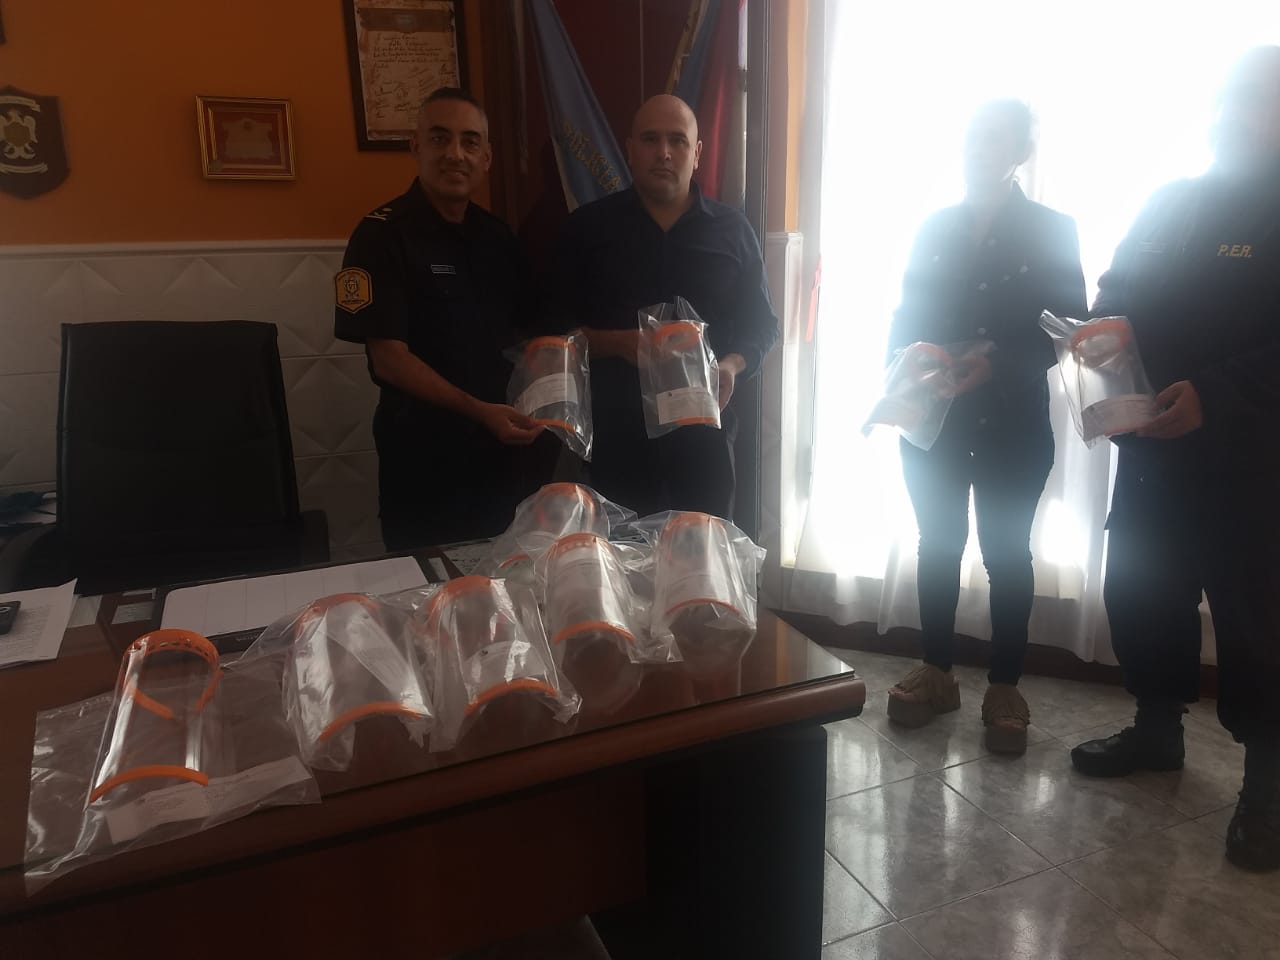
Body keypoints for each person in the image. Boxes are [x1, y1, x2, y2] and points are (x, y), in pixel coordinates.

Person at [1070, 47, 1280, 872]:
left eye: (1254, 100)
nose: (1232, 115)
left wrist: (1217, 396)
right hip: (1153, 451)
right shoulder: (1170, 201)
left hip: (1251, 468)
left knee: (1257, 628)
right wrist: (1104, 332)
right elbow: (1116, 288)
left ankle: (1268, 785)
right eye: (1225, 99)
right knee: (1141, 593)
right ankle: (1157, 730)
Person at [884, 100, 1087, 755]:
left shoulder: (1053, 230)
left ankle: (1005, 686)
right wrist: (899, 376)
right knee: (937, 544)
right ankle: (937, 672)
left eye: (993, 139)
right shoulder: (934, 227)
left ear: (1021, 151)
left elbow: (1066, 330)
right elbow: (905, 314)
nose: (977, 148)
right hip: (933, 418)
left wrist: (994, 365)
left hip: (1011, 423)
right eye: (971, 136)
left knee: (1006, 554)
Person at [334, 88, 547, 550]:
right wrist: (479, 410)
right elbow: (389, 358)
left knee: (505, 575)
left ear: (487, 157)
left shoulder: (498, 238)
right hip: (423, 458)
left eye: (470, 142)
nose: (455, 154)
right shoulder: (379, 236)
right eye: (439, 138)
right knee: (429, 584)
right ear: (416, 146)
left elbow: (529, 332)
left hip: (501, 452)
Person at [551, 94, 779, 520]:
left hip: (705, 441)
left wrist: (731, 365)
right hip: (616, 442)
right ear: (630, 149)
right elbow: (552, 329)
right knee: (621, 560)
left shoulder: (733, 230)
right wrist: (618, 343)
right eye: (650, 139)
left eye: (677, 140)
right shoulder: (587, 229)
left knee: (702, 558)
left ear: (698, 153)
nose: (664, 152)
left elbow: (762, 323)